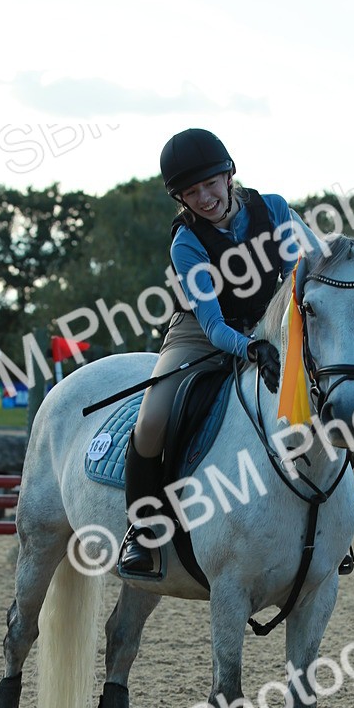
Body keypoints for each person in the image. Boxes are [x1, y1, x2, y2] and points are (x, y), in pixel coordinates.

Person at [119, 128, 293, 576]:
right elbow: (214, 325)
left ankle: (327, 530)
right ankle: (140, 530)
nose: (204, 197)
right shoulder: (187, 243)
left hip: (268, 326)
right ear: (180, 198)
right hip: (198, 334)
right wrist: (251, 348)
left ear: (229, 174)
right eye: (191, 192)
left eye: (210, 184)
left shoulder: (274, 209)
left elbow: (299, 280)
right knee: (152, 418)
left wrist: (280, 338)